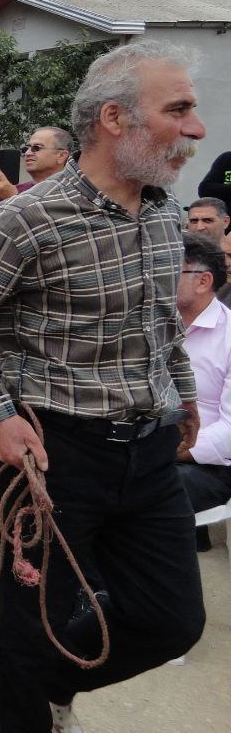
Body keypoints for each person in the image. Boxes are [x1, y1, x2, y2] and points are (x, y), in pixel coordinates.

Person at [0, 39, 206, 732]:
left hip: (148, 452)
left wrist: (186, 394)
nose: (196, 128)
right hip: (51, 456)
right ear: (115, 119)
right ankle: (28, 701)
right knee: (30, 627)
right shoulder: (24, 220)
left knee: (173, 621)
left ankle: (46, 687)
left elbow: (159, 325)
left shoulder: (169, 214)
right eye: (179, 110)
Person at [172, 232, 231, 553]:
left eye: (171, 268)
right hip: (141, 449)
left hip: (205, 464)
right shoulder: (146, 324)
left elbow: (230, 430)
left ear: (203, 280)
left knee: (146, 498)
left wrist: (172, 450)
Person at [0, 126, 72, 205]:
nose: (27, 153)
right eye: (26, 149)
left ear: (61, 156)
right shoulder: (15, 189)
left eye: (36, 148)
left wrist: (13, 197)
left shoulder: (73, 193)